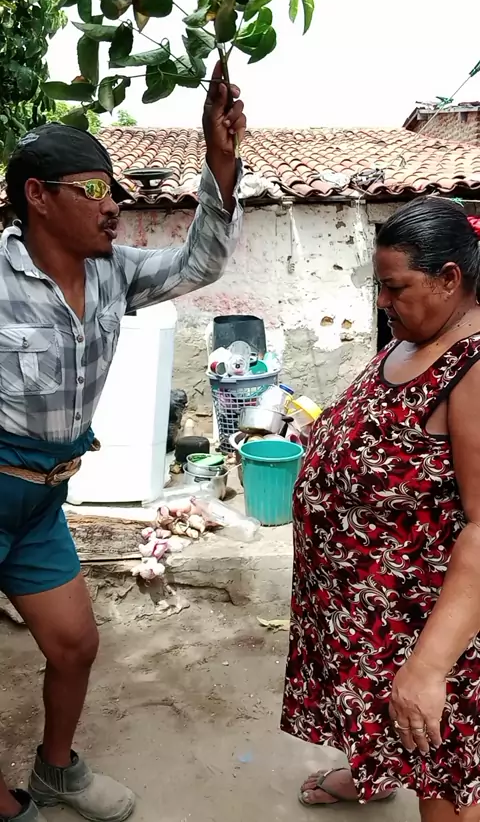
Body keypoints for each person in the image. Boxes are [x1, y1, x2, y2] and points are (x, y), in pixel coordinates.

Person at [0, 63, 246, 822]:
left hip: (42, 503)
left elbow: (201, 261)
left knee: (74, 646)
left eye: (114, 191)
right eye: (93, 189)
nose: (112, 207)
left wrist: (220, 164)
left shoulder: (113, 273)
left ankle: (55, 771)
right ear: (38, 196)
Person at [282, 197, 480, 821]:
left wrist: (429, 666)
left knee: (440, 766)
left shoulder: (473, 368)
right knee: (384, 722)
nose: (382, 302)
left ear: (449, 279)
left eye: (395, 288)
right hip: (368, 614)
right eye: (379, 286)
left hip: (424, 622)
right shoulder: (415, 335)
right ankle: (373, 770)